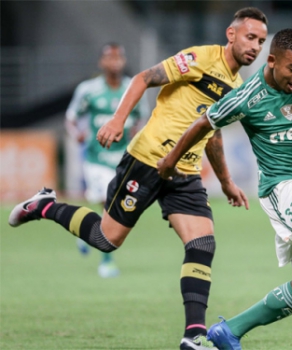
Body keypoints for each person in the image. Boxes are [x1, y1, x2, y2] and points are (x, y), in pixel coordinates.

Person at [8, 8, 268, 350]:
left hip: (185, 174)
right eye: (251, 37)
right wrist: (118, 121)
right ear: (231, 34)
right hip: (146, 160)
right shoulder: (200, 59)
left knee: (202, 244)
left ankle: (194, 335)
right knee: (106, 239)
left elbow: (214, 135)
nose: (256, 46)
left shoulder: (237, 86)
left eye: (262, 41)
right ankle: (45, 206)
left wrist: (225, 181)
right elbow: (143, 77)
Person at [157, 28, 292, 350]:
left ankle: (229, 331)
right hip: (281, 187)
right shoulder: (247, 96)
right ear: (271, 61)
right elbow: (204, 124)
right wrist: (170, 161)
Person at [66, 43, 149, 278]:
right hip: (96, 157)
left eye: (118, 58)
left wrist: (136, 132)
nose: (114, 62)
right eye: (109, 58)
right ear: (101, 62)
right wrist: (77, 134)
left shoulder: (133, 87)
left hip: (122, 159)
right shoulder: (88, 90)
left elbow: (142, 117)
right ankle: (107, 260)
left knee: (114, 205)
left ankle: (83, 231)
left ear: (123, 61)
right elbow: (71, 118)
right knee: (107, 201)